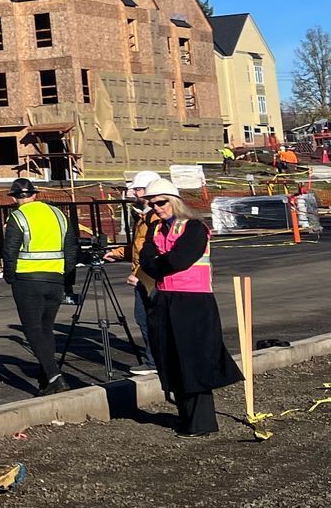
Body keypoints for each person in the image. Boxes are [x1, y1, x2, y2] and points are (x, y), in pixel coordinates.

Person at [136, 183, 242, 436]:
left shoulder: (194, 227)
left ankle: (201, 422)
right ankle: (185, 417)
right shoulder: (156, 228)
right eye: (152, 204)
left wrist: (157, 262)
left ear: (174, 200)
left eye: (161, 202)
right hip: (165, 298)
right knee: (171, 358)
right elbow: (147, 259)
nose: (156, 208)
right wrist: (157, 262)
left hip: (193, 301)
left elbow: (177, 260)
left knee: (193, 360)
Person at [1, 177, 80, 395]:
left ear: (16, 197)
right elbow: (71, 249)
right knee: (46, 329)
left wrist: (10, 277)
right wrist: (68, 281)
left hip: (27, 280)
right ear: (35, 194)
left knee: (33, 329)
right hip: (55, 279)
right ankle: (46, 378)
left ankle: (55, 377)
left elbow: (10, 251)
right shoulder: (58, 215)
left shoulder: (18, 217)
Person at [102, 172, 161, 376]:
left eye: (137, 189)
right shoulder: (144, 216)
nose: (134, 192)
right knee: (144, 318)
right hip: (143, 275)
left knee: (149, 319)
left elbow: (153, 250)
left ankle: (155, 362)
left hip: (149, 278)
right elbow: (138, 247)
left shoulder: (153, 217)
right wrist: (117, 253)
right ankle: (155, 360)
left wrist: (142, 273)